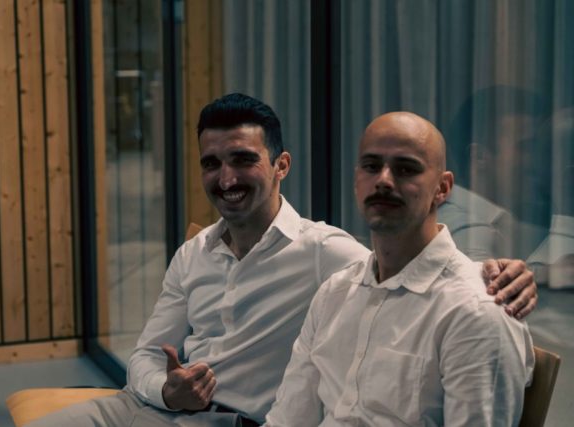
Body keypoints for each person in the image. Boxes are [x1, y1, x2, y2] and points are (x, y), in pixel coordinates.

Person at [29, 94, 537, 427]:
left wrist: (487, 272)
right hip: (149, 408)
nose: (227, 178)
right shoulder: (336, 289)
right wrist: (165, 389)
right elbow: (147, 357)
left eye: (243, 160)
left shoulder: (325, 256)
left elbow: (423, 274)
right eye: (212, 164)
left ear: (281, 166)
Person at [264, 112, 534, 426]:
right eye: (371, 166)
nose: (384, 180)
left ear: (442, 188)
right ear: (356, 180)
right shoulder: (335, 292)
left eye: (406, 169)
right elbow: (288, 419)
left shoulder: (475, 311)